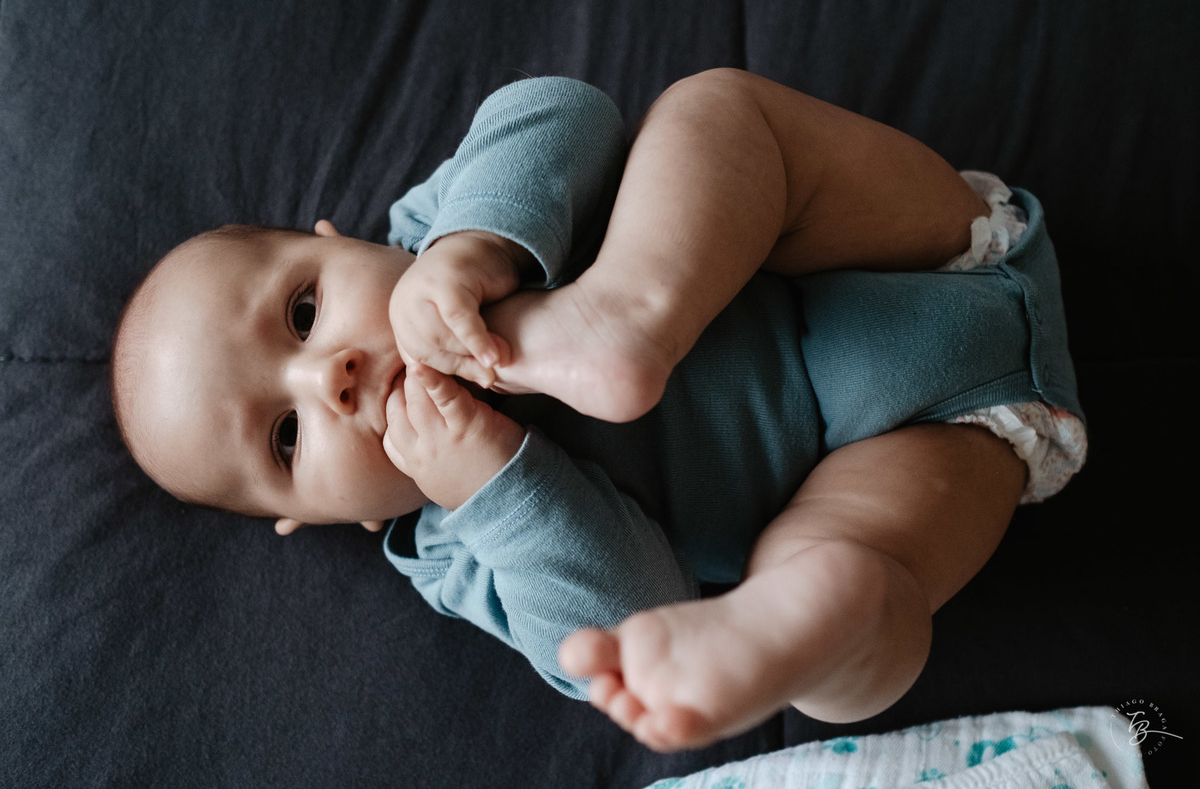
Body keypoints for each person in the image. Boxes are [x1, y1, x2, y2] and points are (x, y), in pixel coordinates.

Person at [110, 69, 1087, 752]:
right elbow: (628, 619)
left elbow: (561, 109)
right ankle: (795, 629)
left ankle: (628, 310)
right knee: (837, 584)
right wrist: (497, 485)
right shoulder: (459, 547)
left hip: (913, 244)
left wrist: (475, 250)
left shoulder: (442, 229)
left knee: (715, 114)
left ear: (338, 240)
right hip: (935, 448)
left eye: (305, 310)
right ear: (334, 518)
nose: (331, 378)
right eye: (289, 436)